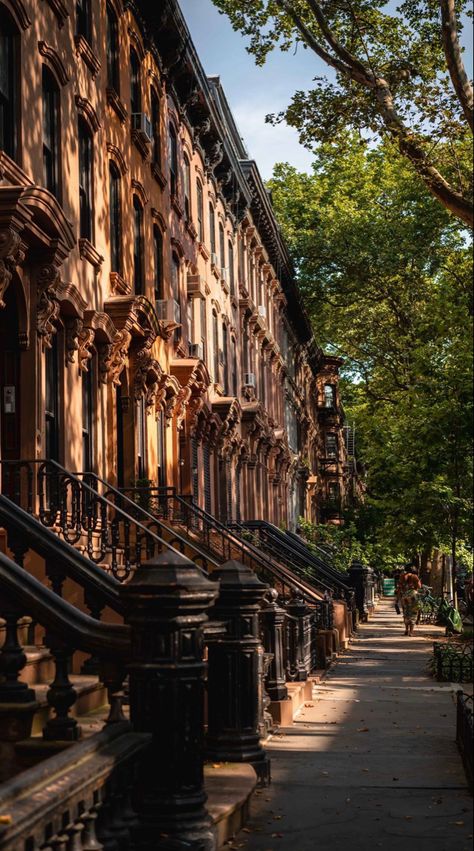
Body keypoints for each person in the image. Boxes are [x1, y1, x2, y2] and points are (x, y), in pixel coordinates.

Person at [398, 564, 422, 636]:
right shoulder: (414, 576)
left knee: (406, 613)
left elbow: (399, 587)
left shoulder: (402, 576)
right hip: (413, 596)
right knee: (413, 613)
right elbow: (419, 586)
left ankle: (406, 630)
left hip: (404, 596)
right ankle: (411, 632)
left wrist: (398, 598)